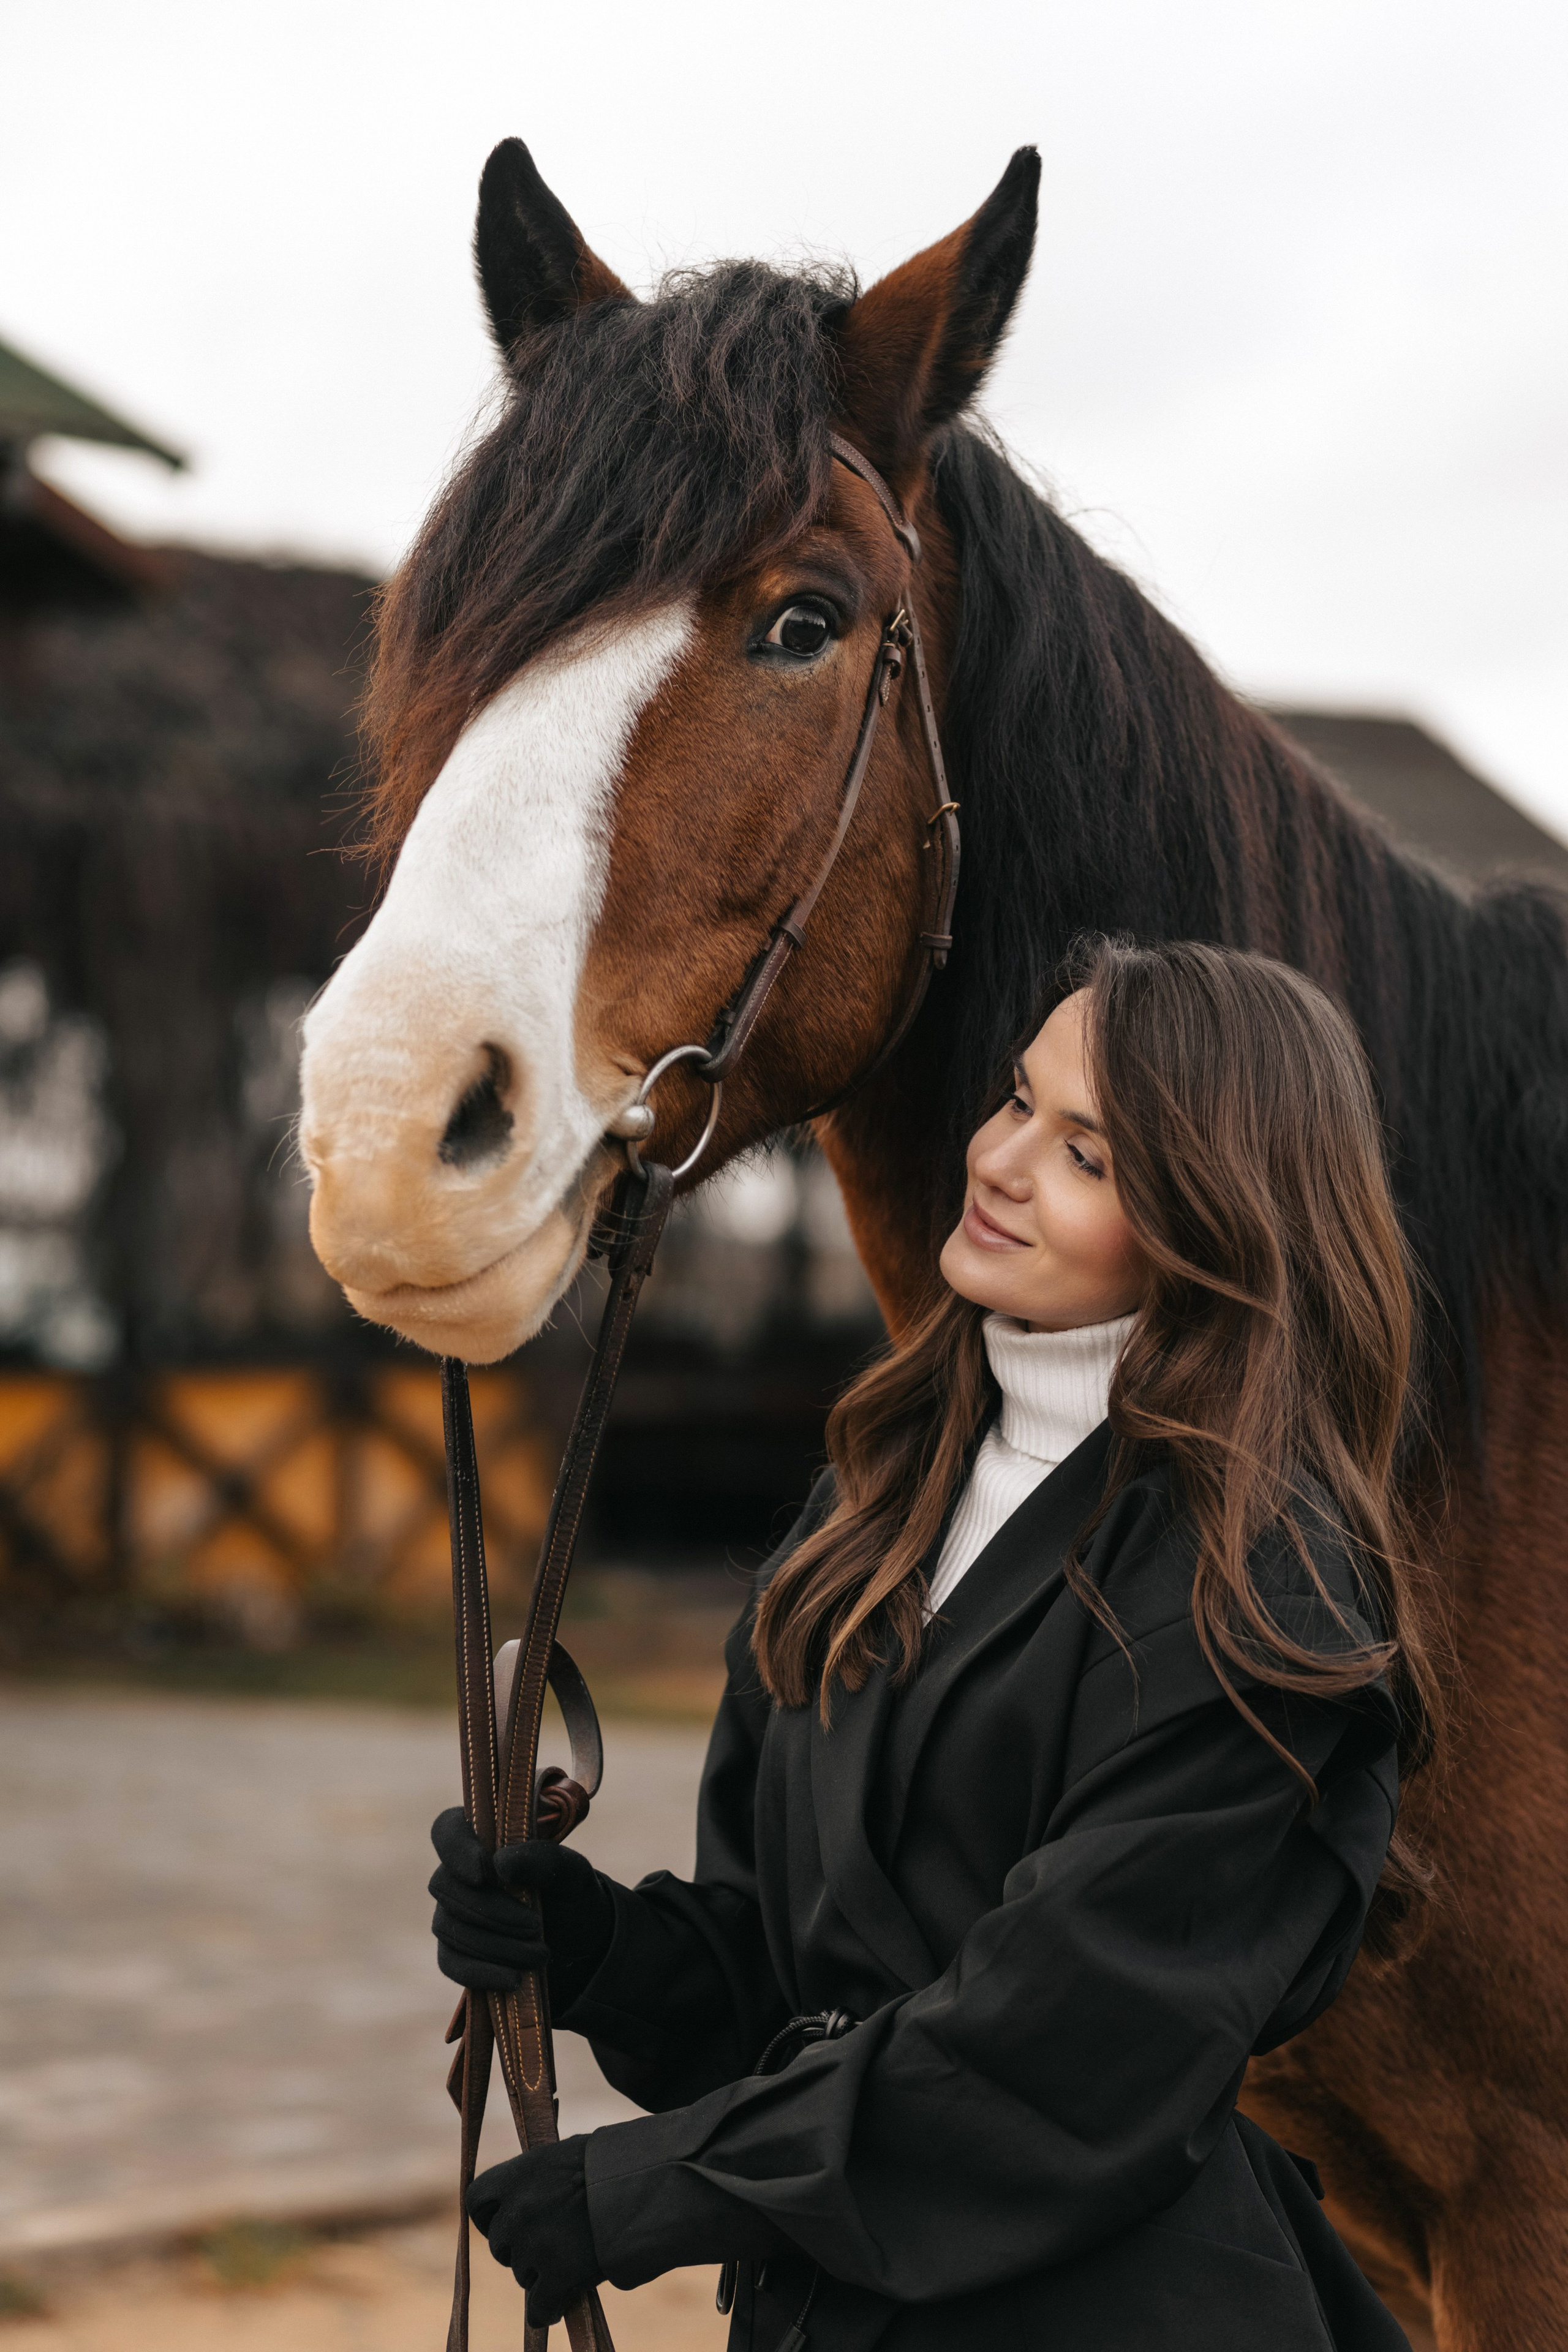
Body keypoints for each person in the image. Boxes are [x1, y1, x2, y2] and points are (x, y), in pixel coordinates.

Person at [429, 935, 1437, 2351]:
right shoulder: (880, 1492)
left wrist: (650, 2190)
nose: (1004, 1159)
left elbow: (1063, 2050)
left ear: (1216, 1220)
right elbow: (800, 1992)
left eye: (1086, 1155)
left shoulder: (1261, 1590)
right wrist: (589, 1945)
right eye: (1020, 1099)